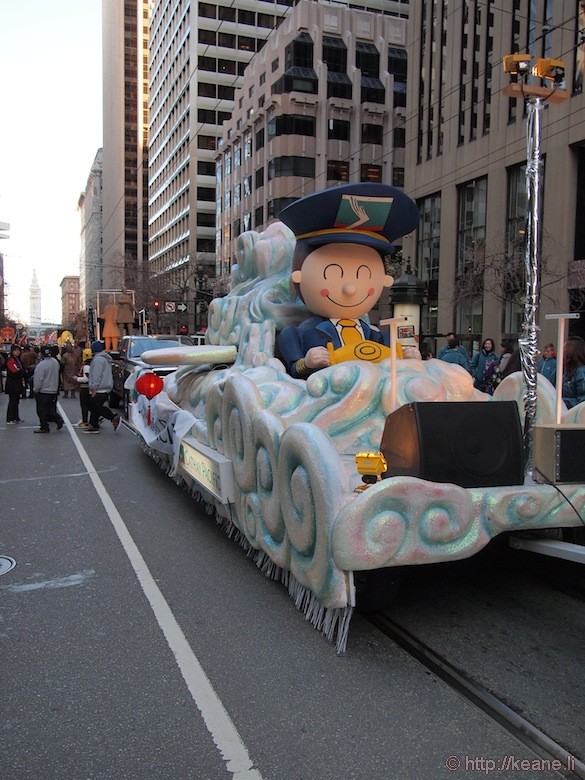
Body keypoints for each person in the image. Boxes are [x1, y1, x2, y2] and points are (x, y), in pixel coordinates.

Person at [276, 183, 420, 379]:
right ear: (299, 276)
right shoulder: (297, 334)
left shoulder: (380, 335)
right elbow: (294, 371)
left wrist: (406, 358)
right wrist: (306, 363)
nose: (350, 288)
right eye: (333, 273)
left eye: (364, 275)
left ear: (384, 280)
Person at [84, 340, 120, 433]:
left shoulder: (98, 360)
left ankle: (113, 417)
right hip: (105, 387)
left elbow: (97, 374)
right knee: (95, 406)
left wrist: (94, 388)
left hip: (100, 388)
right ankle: (93, 424)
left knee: (95, 406)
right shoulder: (105, 359)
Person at [33, 346, 64, 433]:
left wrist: (36, 389)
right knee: (51, 409)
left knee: (41, 410)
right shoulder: (55, 362)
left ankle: (44, 426)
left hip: (44, 390)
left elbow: (38, 379)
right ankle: (58, 419)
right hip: (53, 389)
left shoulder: (41, 365)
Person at [4, 344, 27, 424]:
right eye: (15, 350)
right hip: (12, 383)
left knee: (16, 401)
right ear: (12, 351)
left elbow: (20, 370)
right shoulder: (10, 360)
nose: (17, 352)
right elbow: (15, 371)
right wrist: (21, 371)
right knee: (13, 401)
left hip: (17, 383)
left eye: (18, 350)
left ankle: (16, 417)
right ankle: (10, 418)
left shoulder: (18, 359)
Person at [562, 335, 585, 409]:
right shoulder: (568, 372)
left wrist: (560, 402)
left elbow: (582, 401)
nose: (562, 351)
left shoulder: (581, 372)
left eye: (564, 349)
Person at [75, 354, 92, 428]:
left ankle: (85, 421)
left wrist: (77, 379)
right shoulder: (91, 365)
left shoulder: (86, 367)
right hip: (89, 388)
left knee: (84, 405)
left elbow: (87, 379)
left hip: (85, 388)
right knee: (88, 405)